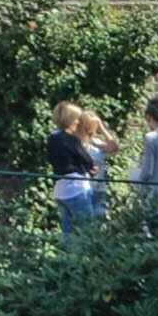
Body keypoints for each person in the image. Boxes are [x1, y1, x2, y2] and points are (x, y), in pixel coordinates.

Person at [48, 99, 111, 234]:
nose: (78, 122)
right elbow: (88, 162)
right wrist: (93, 169)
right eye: (76, 119)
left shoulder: (52, 137)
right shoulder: (72, 139)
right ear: (70, 120)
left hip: (60, 190)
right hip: (77, 189)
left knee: (68, 233)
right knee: (87, 232)